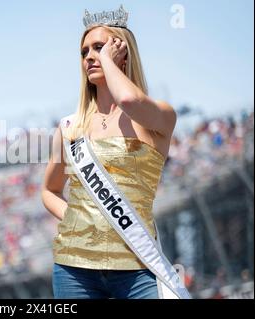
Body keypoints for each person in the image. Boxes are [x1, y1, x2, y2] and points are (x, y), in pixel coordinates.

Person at [41, 5, 177, 299]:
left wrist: (110, 63)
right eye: (84, 51)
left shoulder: (158, 116)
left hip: (138, 265)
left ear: (122, 53)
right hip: (74, 268)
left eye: (99, 48)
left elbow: (127, 99)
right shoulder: (70, 127)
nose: (90, 56)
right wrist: (80, 217)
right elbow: (49, 191)